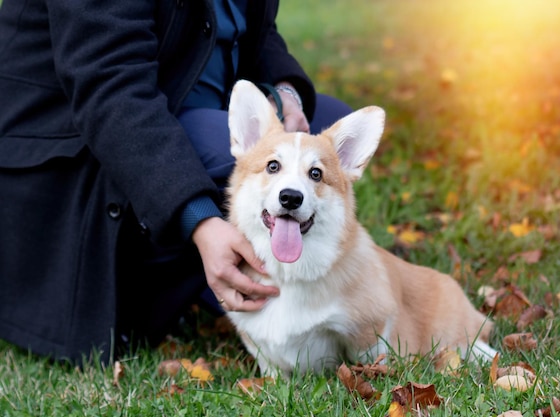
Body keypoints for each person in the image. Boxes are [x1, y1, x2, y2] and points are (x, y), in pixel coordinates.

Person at [0, 0, 352, 363]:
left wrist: (287, 93)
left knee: (332, 139)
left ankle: (297, 292)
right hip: (82, 146)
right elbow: (110, 88)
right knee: (247, 164)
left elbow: (256, 32)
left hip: (192, 111)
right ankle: (192, 280)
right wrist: (200, 220)